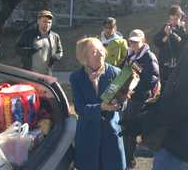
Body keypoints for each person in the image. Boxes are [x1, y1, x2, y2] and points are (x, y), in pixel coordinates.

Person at [123, 40, 188, 170]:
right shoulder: (130, 56)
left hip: (178, 147)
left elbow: (179, 102)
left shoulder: (149, 57)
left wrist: (144, 121)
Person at [69, 37, 126, 170]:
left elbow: (124, 104)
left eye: (101, 50)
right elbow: (79, 108)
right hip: (88, 136)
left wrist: (121, 101)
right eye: (94, 52)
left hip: (111, 135)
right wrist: (100, 107)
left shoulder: (116, 73)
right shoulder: (76, 77)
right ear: (84, 57)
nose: (101, 54)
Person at [121, 29, 160, 169]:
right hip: (129, 98)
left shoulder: (149, 57)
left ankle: (129, 161)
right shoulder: (130, 54)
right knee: (127, 129)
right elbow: (123, 72)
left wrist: (134, 87)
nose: (133, 44)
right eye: (131, 41)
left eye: (136, 42)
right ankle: (128, 159)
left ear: (144, 41)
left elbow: (152, 80)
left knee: (131, 130)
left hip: (140, 99)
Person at [16, 10, 63, 75]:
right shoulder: (28, 34)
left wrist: (55, 57)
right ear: (38, 21)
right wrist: (28, 51)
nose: (47, 24)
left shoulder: (55, 36)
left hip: (46, 74)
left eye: (49, 22)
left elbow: (60, 51)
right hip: (29, 73)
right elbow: (17, 49)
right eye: (44, 21)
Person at [154, 4, 187, 89]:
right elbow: (157, 42)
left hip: (175, 65)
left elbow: (182, 44)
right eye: (171, 19)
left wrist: (172, 34)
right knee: (160, 86)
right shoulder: (166, 27)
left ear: (180, 18)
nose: (173, 22)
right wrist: (166, 36)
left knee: (171, 88)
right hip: (163, 63)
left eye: (175, 19)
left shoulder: (183, 29)